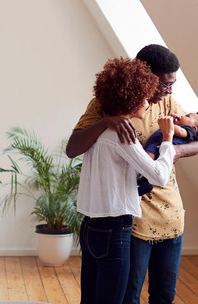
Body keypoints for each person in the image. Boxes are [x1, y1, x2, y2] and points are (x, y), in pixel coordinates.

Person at [67, 44, 198, 304]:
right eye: (165, 85)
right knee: (127, 297)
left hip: (170, 215)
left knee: (163, 296)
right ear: (145, 79)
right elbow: (73, 147)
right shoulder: (109, 106)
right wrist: (107, 122)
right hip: (131, 221)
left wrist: (173, 151)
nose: (169, 92)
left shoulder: (168, 102)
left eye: (173, 84)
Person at [77, 57, 176, 304]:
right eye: (145, 95)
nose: (148, 101)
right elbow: (159, 175)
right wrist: (167, 139)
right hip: (114, 230)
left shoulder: (99, 134)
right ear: (132, 96)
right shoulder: (123, 135)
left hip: (89, 227)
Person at [137, 112, 198, 195]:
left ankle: (141, 182)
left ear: (194, 128)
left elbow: (179, 132)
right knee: (147, 169)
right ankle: (145, 184)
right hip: (156, 143)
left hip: (159, 146)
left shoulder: (189, 131)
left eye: (187, 116)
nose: (183, 115)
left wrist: (169, 123)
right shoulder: (183, 126)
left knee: (147, 159)